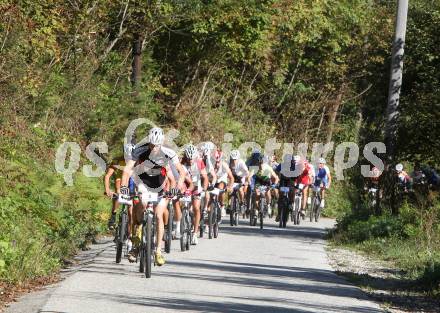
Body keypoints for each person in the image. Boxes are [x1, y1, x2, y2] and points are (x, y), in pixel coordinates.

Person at [120, 127, 185, 266]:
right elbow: (127, 170)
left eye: (157, 145)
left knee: (158, 215)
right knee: (141, 205)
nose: (154, 148)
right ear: (148, 142)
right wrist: (124, 187)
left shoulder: (168, 153)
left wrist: (176, 188)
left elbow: (180, 173)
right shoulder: (139, 150)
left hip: (161, 187)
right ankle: (137, 240)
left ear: (161, 143)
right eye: (151, 145)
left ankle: (158, 251)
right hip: (143, 183)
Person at [181, 144, 209, 245]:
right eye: (188, 159)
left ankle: (194, 233)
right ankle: (183, 221)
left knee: (196, 207)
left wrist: (204, 189)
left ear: (195, 157)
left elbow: (205, 178)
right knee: (184, 205)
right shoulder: (183, 161)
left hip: (197, 185)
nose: (190, 161)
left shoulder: (199, 162)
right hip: (186, 184)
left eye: (191, 159)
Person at [103, 144, 136, 230]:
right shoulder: (117, 160)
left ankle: (130, 233)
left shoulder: (136, 160)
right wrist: (107, 189)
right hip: (120, 180)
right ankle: (113, 215)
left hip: (132, 181)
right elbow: (107, 176)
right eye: (126, 156)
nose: (128, 158)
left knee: (131, 211)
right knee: (118, 192)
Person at [213, 149, 234, 213]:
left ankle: (222, 206)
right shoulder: (211, 164)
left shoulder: (224, 165)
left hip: (222, 181)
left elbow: (231, 177)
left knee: (220, 187)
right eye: (215, 162)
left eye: (218, 162)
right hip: (214, 181)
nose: (217, 163)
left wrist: (230, 186)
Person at [229, 149, 249, 214]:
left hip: (241, 177)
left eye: (235, 159)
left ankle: (242, 203)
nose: (234, 161)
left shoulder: (241, 163)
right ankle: (230, 204)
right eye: (232, 159)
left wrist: (246, 182)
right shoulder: (229, 162)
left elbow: (247, 173)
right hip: (233, 177)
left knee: (240, 190)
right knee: (230, 190)